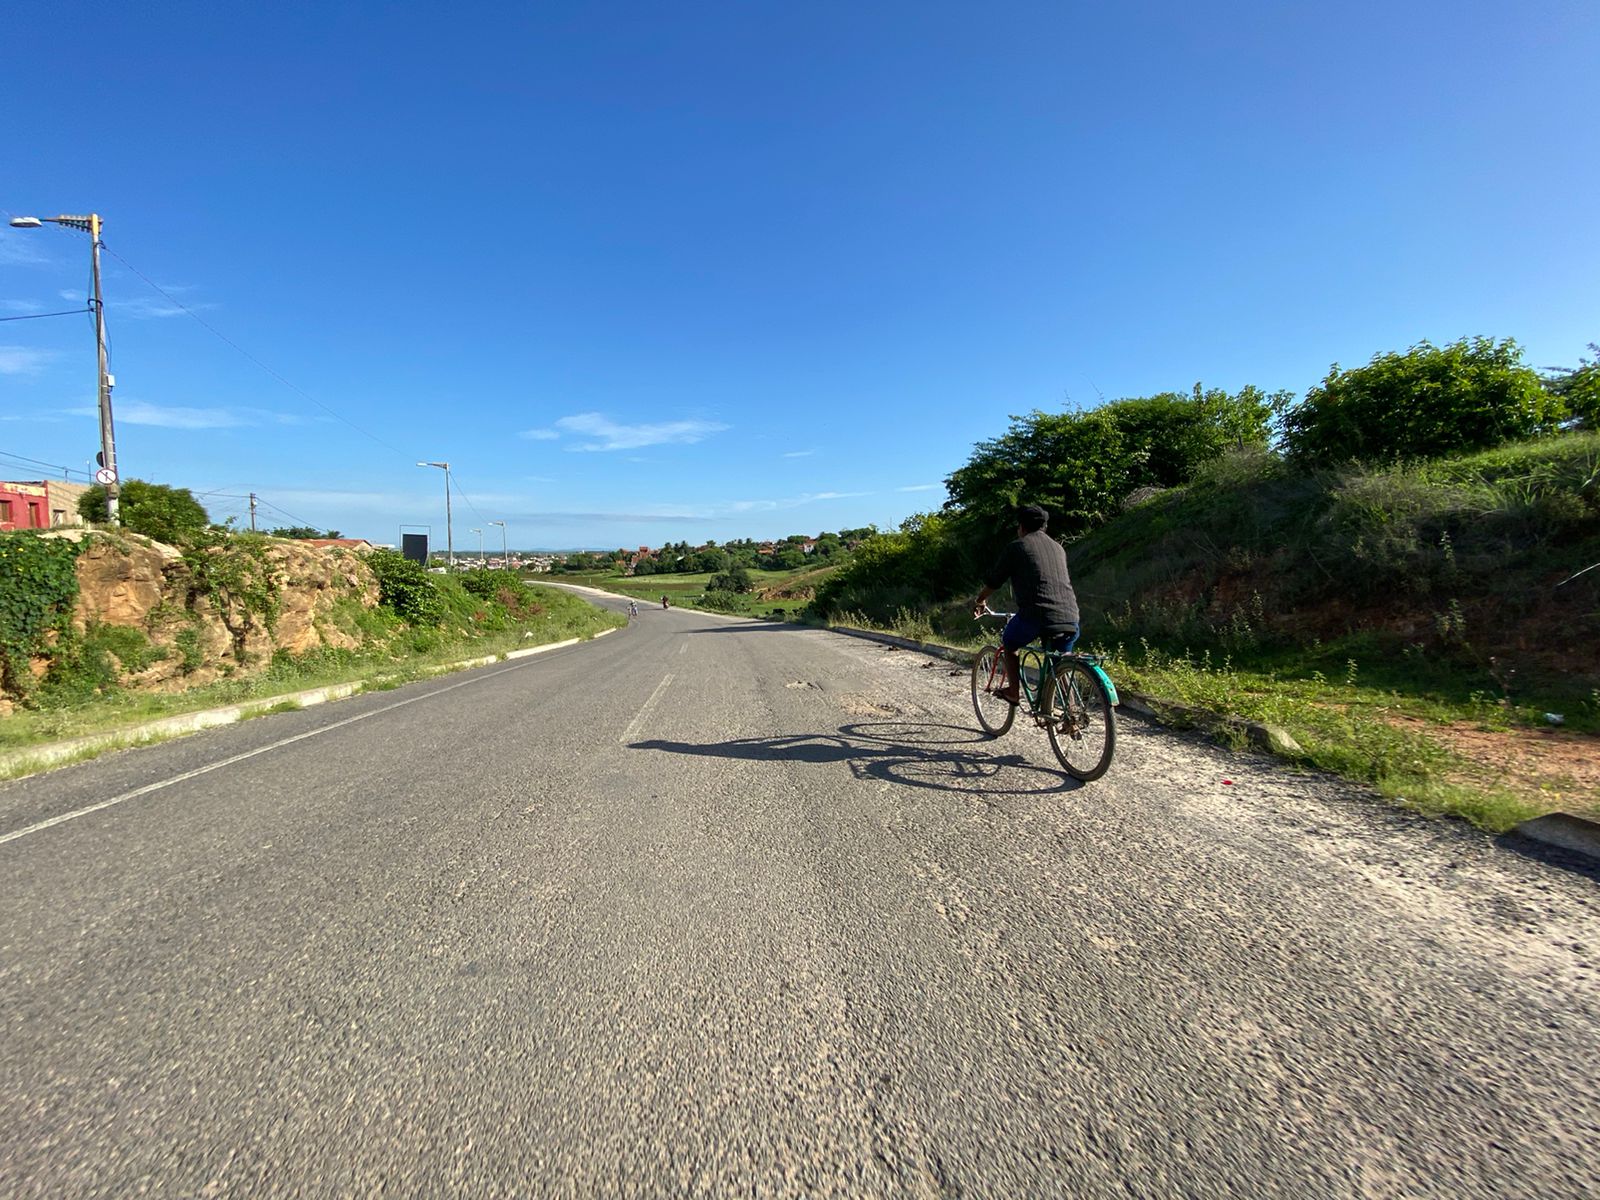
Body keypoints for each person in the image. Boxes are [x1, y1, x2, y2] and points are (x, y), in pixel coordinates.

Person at [972, 504, 1080, 705]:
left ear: (1021, 527)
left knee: (1010, 643)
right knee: (1060, 658)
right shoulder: (1058, 548)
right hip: (1070, 616)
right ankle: (1071, 709)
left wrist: (980, 600)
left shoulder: (1017, 547)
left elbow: (995, 580)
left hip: (1036, 617)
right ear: (1044, 527)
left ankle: (1013, 692)